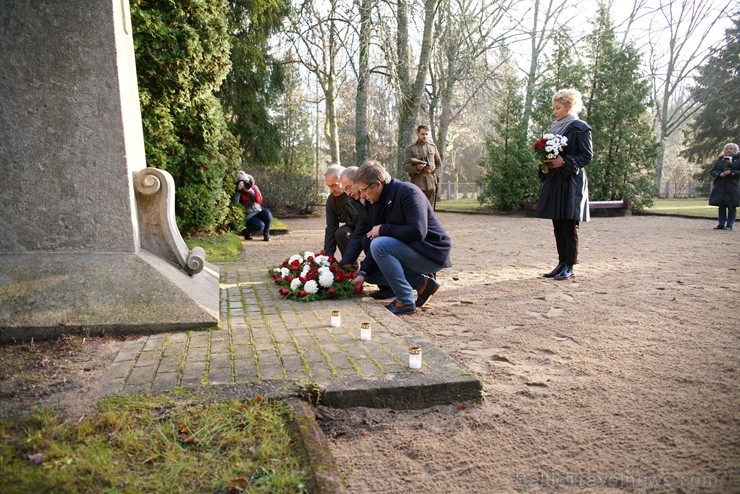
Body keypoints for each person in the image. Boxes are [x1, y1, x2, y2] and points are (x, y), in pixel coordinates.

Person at [350, 160, 452, 315]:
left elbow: (418, 232)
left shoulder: (408, 192)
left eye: (364, 190)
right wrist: (363, 273)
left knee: (379, 245)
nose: (362, 195)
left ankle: (404, 300)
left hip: (431, 252)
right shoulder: (377, 200)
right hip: (413, 250)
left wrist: (384, 228)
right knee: (371, 260)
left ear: (378, 185)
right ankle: (423, 285)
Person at [536, 88, 593, 281]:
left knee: (569, 225)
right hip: (556, 181)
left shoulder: (580, 127)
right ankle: (561, 263)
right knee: (557, 224)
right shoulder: (555, 128)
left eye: (558, 107)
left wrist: (565, 163)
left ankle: (569, 265)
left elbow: (586, 156)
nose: (554, 111)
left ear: (569, 106)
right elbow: (550, 155)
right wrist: (545, 166)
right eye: (554, 107)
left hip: (571, 183)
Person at [340, 166, 394, 300]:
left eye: (347, 187)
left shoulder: (374, 196)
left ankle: (391, 286)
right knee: (365, 240)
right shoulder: (358, 200)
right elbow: (360, 231)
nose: (347, 193)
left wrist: (363, 272)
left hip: (395, 235)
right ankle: (386, 286)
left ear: (358, 182)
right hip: (381, 234)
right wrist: (345, 262)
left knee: (370, 241)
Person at [324, 165, 358, 258]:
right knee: (340, 233)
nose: (331, 190)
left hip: (367, 228)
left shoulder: (357, 192)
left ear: (343, 181)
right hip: (351, 228)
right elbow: (331, 228)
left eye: (334, 185)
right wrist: (328, 257)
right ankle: (349, 264)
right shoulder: (331, 200)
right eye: (329, 186)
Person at [404, 125, 441, 205]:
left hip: (431, 183)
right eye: (422, 134)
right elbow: (406, 166)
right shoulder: (411, 148)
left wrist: (433, 172)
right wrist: (416, 168)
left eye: (426, 134)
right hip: (418, 183)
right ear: (418, 134)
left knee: (430, 211)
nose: (425, 136)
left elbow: (438, 163)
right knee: (419, 210)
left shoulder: (433, 147)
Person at [708, 142, 740, 231]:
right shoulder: (720, 160)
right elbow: (712, 171)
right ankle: (721, 224)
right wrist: (719, 174)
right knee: (721, 206)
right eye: (727, 149)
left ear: (735, 150)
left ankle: (729, 224)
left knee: (731, 206)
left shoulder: (738, 160)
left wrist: (731, 172)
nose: (728, 150)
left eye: (731, 149)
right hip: (720, 186)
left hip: (732, 186)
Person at [235, 171, 272, 241]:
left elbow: (259, 200)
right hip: (248, 215)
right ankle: (248, 232)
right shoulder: (237, 190)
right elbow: (235, 204)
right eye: (242, 182)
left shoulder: (254, 188)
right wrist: (238, 191)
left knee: (267, 213)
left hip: (258, 211)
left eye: (246, 181)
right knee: (260, 226)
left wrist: (250, 191)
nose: (244, 184)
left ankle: (266, 234)